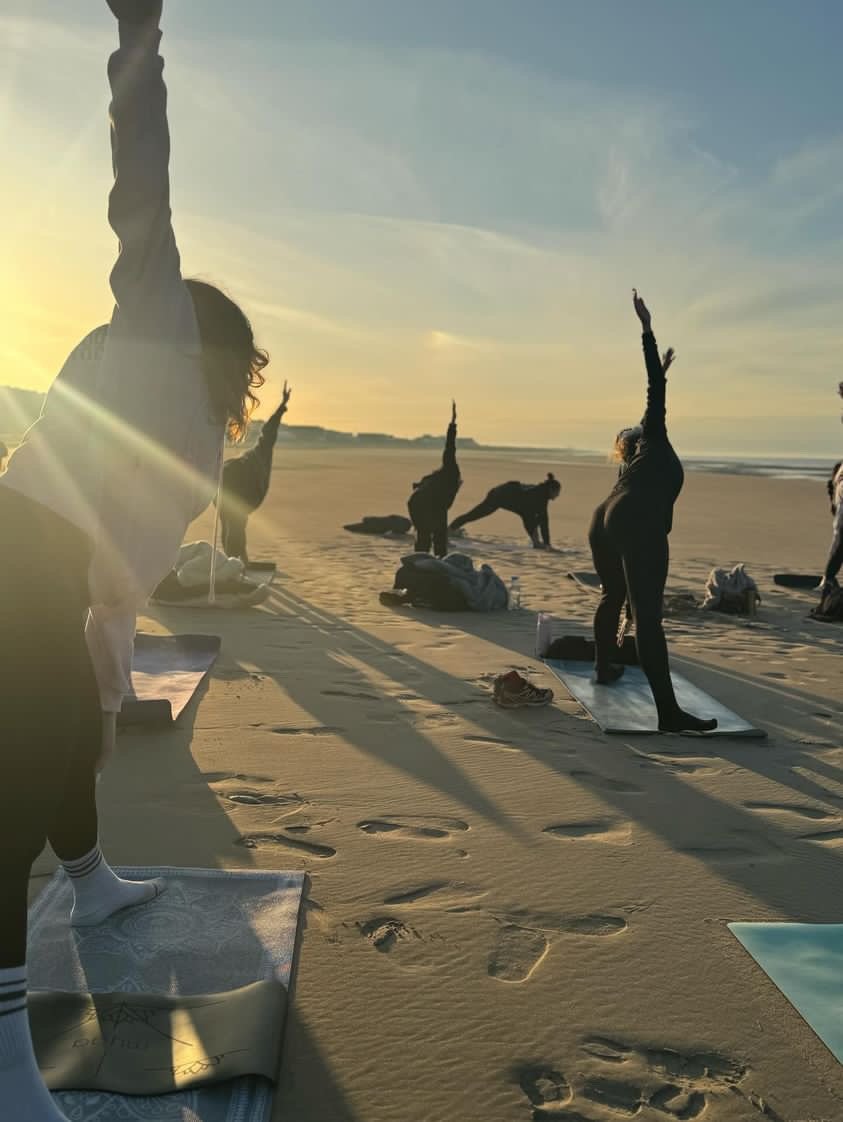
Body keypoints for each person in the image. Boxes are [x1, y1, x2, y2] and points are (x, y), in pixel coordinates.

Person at [0, 4, 266, 1116]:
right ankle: (9, 1055)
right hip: (14, 560)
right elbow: (140, 188)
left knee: (66, 739)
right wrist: (140, 35)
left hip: (44, 570)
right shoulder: (152, 332)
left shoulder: (186, 426)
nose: (250, 374)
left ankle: (92, 879)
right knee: (15, 787)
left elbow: (123, 568)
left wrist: (108, 662)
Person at [587, 290, 717, 734]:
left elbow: (654, 393)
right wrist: (646, 331)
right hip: (635, 520)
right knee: (647, 617)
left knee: (612, 596)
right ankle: (669, 714)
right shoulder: (653, 439)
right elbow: (654, 393)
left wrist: (660, 370)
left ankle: (604, 667)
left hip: (604, 517)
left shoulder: (632, 463)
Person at [219, 380, 292, 562]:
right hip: (234, 485)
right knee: (234, 524)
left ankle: (233, 560)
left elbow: (268, 432)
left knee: (229, 524)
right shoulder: (260, 454)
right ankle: (236, 562)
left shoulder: (255, 456)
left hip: (225, 482)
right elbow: (268, 432)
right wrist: (282, 407)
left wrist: (282, 406)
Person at [407, 401, 461, 558]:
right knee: (428, 536)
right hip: (421, 504)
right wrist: (452, 426)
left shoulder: (439, 482)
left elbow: (423, 483)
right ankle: (424, 561)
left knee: (434, 536)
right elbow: (450, 449)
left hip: (420, 503)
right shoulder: (449, 472)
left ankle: (432, 560)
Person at [450, 474, 562, 548]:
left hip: (508, 496)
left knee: (533, 519)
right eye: (557, 492)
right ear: (551, 490)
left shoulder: (541, 495)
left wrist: (544, 543)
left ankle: (536, 543)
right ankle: (450, 529)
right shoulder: (538, 496)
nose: (558, 495)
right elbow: (539, 520)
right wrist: (546, 544)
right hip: (499, 495)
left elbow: (539, 519)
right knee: (474, 515)